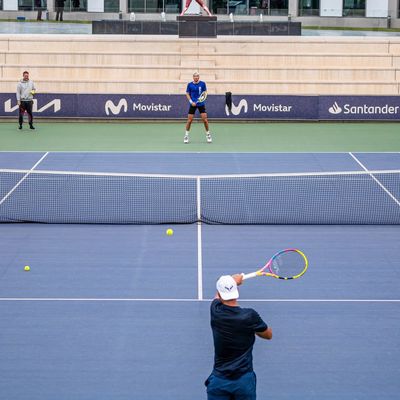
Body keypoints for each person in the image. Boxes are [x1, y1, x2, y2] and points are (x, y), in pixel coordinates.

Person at [205, 274, 272, 400]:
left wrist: (232, 281)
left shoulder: (215, 311)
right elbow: (268, 335)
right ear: (237, 292)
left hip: (219, 382)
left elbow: (217, 296)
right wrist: (253, 327)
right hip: (244, 382)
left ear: (220, 293)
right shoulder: (250, 316)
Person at [184, 72, 212, 144]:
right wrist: (191, 102)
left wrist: (201, 99)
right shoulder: (189, 84)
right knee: (189, 120)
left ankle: (208, 134)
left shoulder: (203, 84)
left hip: (201, 104)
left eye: (197, 76)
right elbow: (187, 93)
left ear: (199, 77)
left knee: (205, 120)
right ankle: (186, 136)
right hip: (192, 104)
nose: (196, 77)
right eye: (194, 76)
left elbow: (205, 93)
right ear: (193, 77)